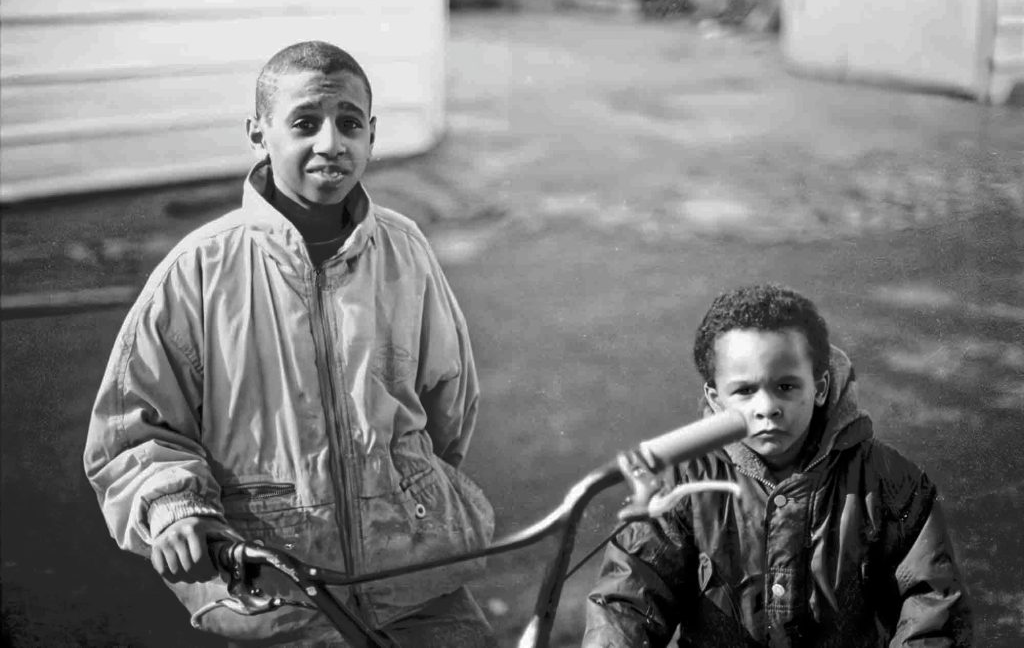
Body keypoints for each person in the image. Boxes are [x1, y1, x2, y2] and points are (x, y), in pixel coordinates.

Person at [84, 41, 495, 646]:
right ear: (258, 134)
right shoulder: (199, 270)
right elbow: (132, 433)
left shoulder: (406, 250)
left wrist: (411, 501)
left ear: (372, 135)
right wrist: (174, 506)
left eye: (349, 123)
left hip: (415, 577)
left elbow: (448, 406)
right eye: (305, 123)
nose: (331, 143)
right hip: (275, 593)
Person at [583, 284, 972, 647]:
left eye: (786, 386)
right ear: (716, 398)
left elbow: (931, 608)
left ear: (819, 387)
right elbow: (626, 602)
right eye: (745, 390)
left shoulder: (889, 481)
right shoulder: (681, 484)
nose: (766, 408)